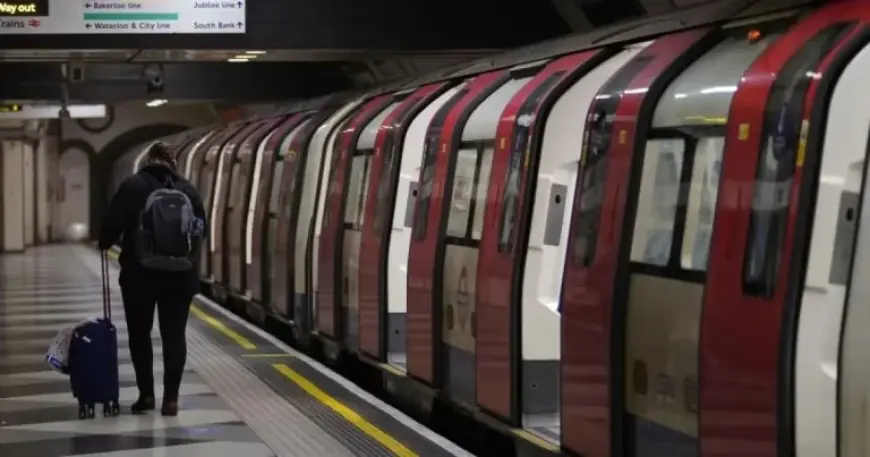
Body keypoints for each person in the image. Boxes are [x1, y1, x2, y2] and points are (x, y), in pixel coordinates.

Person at [98, 141, 208, 416]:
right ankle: (171, 399)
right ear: (173, 162)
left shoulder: (133, 186)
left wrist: (105, 241)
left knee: (140, 335)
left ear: (149, 160)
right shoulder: (187, 190)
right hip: (179, 276)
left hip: (140, 275)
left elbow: (111, 224)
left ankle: (146, 395)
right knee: (174, 335)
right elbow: (200, 231)